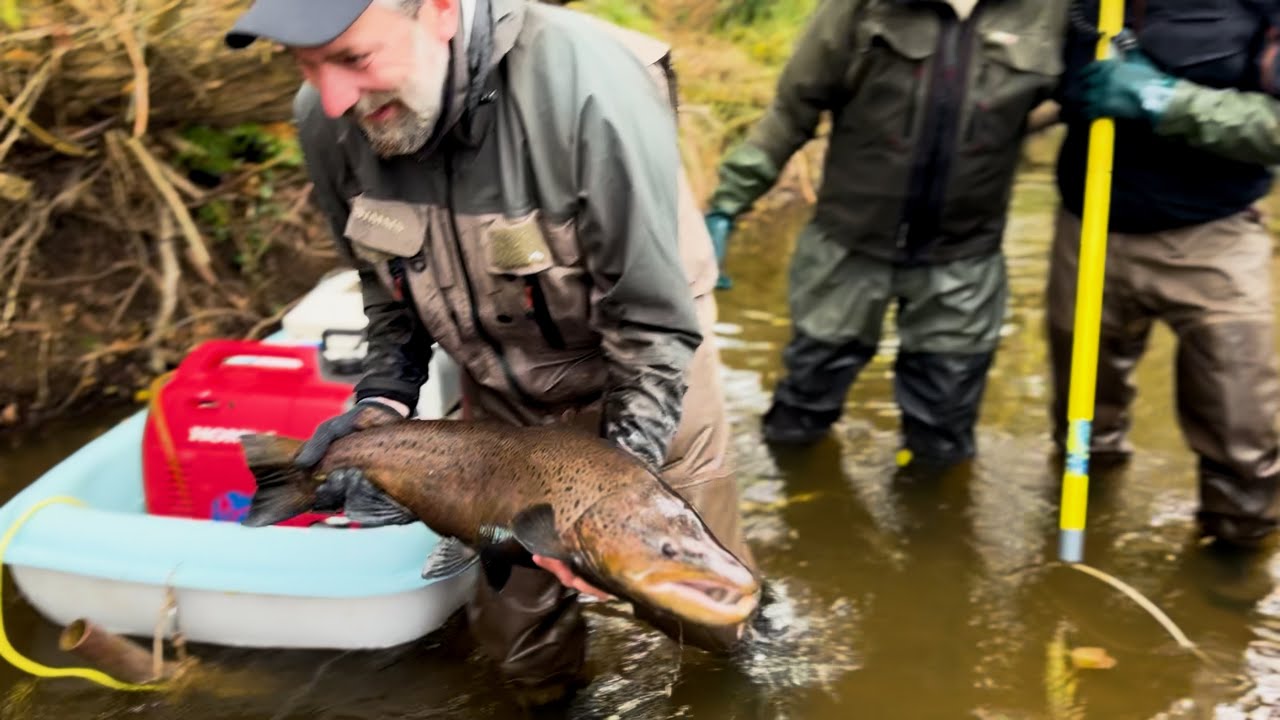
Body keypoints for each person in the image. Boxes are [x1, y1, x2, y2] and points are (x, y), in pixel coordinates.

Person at [223, 0, 752, 704]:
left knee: (707, 607)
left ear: (441, 10)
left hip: (648, 376)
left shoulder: (594, 89)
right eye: (306, 66)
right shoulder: (328, 118)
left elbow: (652, 324)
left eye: (354, 58)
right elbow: (386, 290)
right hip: (500, 391)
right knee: (518, 638)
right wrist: (382, 401)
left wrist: (607, 507)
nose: (333, 98)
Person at [704, 0, 1069, 467]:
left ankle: (930, 511)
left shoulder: (1056, 11)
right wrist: (727, 204)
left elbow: (1077, 97)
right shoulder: (861, 8)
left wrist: (1123, 82)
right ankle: (796, 490)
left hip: (965, 259)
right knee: (800, 413)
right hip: (846, 247)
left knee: (944, 437)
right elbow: (792, 109)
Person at [1050, 1, 1280, 549]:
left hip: (1215, 239)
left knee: (1243, 437)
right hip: (1088, 230)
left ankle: (1234, 572)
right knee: (1082, 434)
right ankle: (1081, 558)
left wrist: (1164, 99)